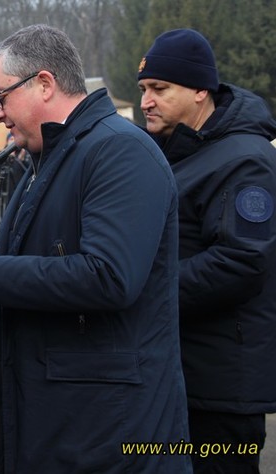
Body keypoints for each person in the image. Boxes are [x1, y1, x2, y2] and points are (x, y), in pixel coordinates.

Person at [0, 24, 191, 473]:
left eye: (0, 97)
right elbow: (19, 278)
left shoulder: (120, 152)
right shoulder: (46, 160)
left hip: (110, 435)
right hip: (62, 423)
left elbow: (108, 277)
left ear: (44, 84)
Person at [138, 28, 276, 473]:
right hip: (180, 371)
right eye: (143, 90)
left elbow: (241, 261)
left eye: (160, 89)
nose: (146, 102)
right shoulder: (178, 151)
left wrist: (144, 293)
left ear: (200, 91)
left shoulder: (245, 159)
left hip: (221, 386)